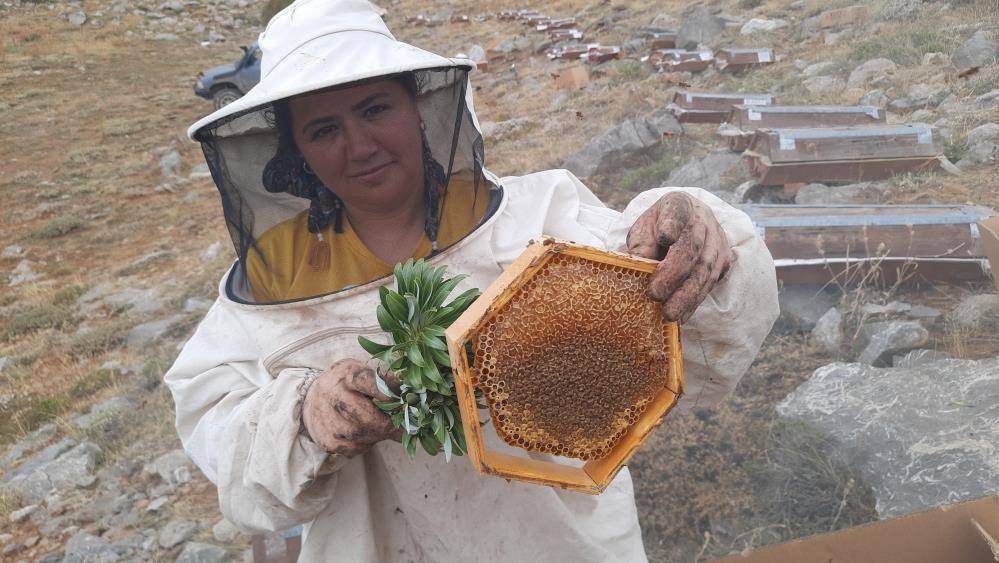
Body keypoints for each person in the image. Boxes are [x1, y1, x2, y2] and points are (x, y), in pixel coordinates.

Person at [165, 0, 779, 561]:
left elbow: (682, 315)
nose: (359, 146)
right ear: (296, 151)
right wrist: (300, 417)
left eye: (375, 109)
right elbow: (217, 427)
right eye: (322, 129)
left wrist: (698, 230)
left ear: (419, 108)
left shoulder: (541, 218)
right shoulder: (271, 286)